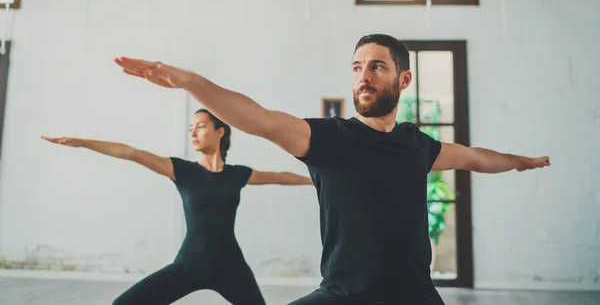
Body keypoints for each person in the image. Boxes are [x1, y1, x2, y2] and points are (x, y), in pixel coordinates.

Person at [113, 34, 550, 305]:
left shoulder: (418, 145)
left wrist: (519, 163)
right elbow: (259, 118)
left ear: (404, 80)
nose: (364, 76)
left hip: (413, 294)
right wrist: (192, 83)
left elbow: (474, 157)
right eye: (357, 67)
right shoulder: (327, 139)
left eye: (377, 66)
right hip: (342, 294)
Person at [41, 108, 313, 305]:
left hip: (231, 265)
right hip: (190, 263)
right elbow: (132, 153)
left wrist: (317, 182)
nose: (193, 132)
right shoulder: (181, 170)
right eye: (191, 128)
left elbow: (279, 178)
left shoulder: (237, 174)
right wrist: (84, 143)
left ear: (220, 131)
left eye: (201, 126)